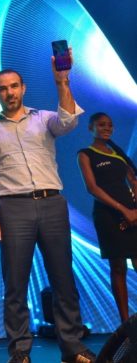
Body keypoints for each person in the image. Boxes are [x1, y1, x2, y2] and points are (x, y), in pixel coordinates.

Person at [0, 52, 96, 363]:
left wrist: (62, 81)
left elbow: (68, 121)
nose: (9, 92)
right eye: (3, 89)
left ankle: (72, 347)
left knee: (63, 279)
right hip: (13, 208)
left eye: (14, 86)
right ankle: (19, 350)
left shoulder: (44, 118)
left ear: (23, 88)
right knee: (15, 283)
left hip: (52, 203)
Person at [77, 112, 137, 324]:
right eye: (101, 125)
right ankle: (126, 324)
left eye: (110, 125)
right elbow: (92, 188)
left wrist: (134, 209)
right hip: (108, 215)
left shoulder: (118, 153)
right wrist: (122, 210)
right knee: (118, 266)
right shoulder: (85, 154)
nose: (107, 128)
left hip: (132, 214)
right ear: (90, 128)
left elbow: (133, 180)